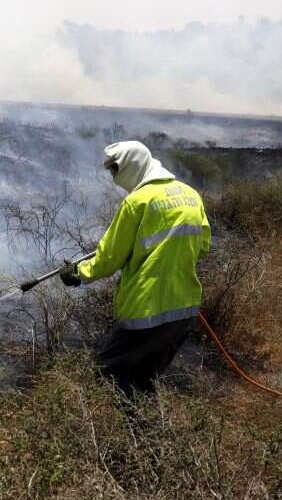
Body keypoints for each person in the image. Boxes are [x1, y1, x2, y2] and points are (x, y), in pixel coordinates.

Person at [59, 141, 211, 398]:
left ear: (133, 165)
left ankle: (113, 435)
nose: (114, 177)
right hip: (184, 308)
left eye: (116, 170)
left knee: (106, 375)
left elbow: (109, 258)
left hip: (146, 309)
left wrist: (78, 274)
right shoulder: (190, 195)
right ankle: (147, 434)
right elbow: (203, 246)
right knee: (144, 380)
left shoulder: (137, 202)